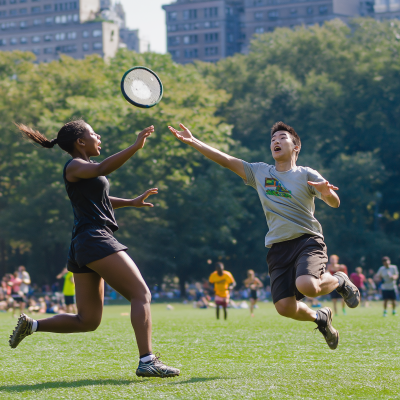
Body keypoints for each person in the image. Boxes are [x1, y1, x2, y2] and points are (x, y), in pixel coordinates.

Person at [9, 119, 179, 378]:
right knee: (141, 294)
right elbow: (104, 167)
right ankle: (147, 361)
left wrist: (131, 202)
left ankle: (32, 325)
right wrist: (134, 146)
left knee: (87, 320)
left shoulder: (83, 169)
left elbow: (99, 200)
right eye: (93, 133)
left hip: (83, 244)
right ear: (80, 141)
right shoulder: (76, 165)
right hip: (95, 239)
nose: (98, 136)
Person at [169, 121, 360, 350]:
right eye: (273, 139)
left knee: (308, 285)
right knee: (284, 307)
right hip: (278, 248)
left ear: (295, 146)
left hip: (307, 241)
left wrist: (327, 194)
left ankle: (340, 280)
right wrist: (193, 141)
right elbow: (226, 160)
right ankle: (320, 318)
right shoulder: (260, 172)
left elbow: (334, 202)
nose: (276, 142)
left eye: (282, 138)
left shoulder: (306, 173)